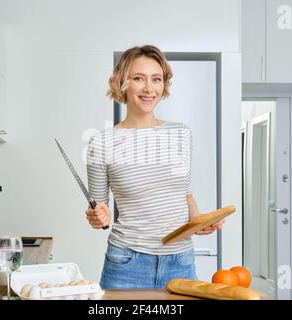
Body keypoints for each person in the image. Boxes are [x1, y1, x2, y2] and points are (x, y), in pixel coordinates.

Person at [86, 45, 225, 289]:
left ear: (164, 85)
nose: (149, 88)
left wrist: (198, 220)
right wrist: (98, 217)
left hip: (181, 261)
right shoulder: (101, 142)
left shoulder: (181, 134)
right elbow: (99, 211)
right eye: (138, 78)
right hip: (127, 263)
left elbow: (185, 193)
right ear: (123, 83)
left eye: (156, 79)